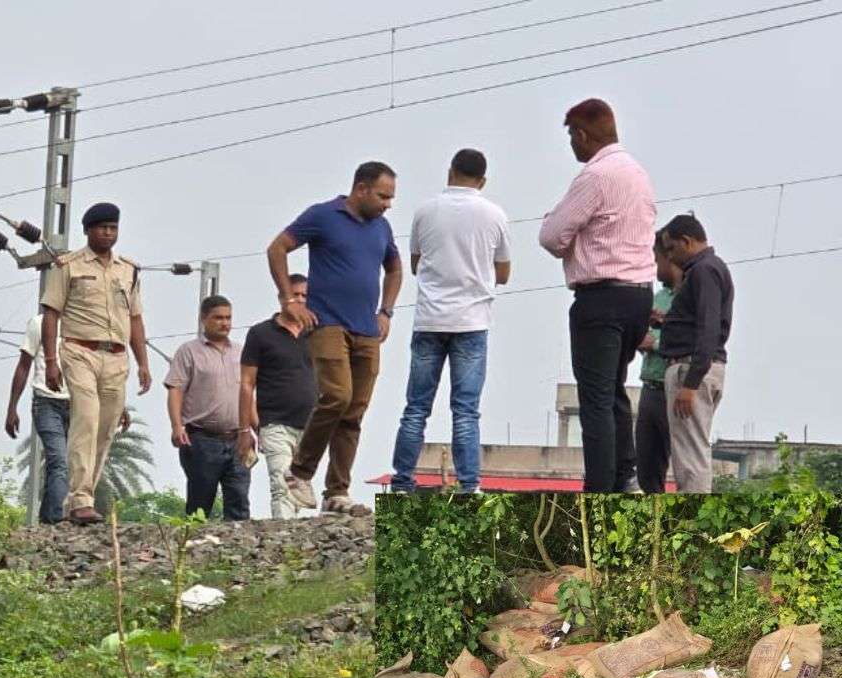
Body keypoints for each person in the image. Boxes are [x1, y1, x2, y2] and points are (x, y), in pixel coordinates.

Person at [266, 161, 403, 516]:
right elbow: (277, 248)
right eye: (383, 196)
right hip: (327, 324)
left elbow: (395, 268)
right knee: (337, 396)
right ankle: (299, 472)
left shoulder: (382, 228)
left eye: (391, 198)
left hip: (367, 331)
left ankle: (337, 491)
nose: (388, 204)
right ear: (361, 189)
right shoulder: (323, 216)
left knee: (355, 410)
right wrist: (289, 300)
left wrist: (386, 311)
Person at [538, 98, 656, 492]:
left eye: (572, 136)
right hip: (639, 296)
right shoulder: (638, 174)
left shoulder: (595, 176)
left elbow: (553, 237)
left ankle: (600, 490)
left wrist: (557, 225)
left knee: (596, 399)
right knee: (615, 390)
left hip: (601, 299)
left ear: (582, 134)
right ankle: (625, 476)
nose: (572, 144)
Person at [390, 148, 510, 494]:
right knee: (465, 410)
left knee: (416, 407)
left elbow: (415, 263)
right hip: (472, 323)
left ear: (450, 172)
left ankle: (402, 483)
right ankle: (469, 485)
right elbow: (503, 273)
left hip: (429, 319)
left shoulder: (425, 211)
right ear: (483, 181)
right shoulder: (494, 215)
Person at [40, 202, 151, 524]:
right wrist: (51, 360)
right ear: (88, 230)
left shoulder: (128, 270)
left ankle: (78, 497)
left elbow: (136, 319)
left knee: (104, 431)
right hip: (79, 351)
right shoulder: (68, 265)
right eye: (102, 227)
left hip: (117, 357)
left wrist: (143, 363)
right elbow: (51, 313)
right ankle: (81, 500)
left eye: (113, 228)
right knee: (85, 420)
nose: (108, 233)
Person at [4, 311, 131, 523]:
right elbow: (24, 365)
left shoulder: (87, 324)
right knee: (59, 460)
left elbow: (102, 372)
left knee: (77, 461)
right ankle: (56, 519)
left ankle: (53, 517)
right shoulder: (39, 324)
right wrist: (12, 408)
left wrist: (118, 407)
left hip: (80, 403)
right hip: (47, 401)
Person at [657, 214, 733, 492]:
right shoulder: (707, 269)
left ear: (686, 242)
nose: (669, 257)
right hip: (697, 368)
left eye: (671, 249)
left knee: (690, 458)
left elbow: (708, 327)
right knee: (691, 453)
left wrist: (690, 383)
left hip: (692, 370)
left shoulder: (704, 270)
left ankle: (694, 523)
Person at [237, 274, 316, 519]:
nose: (300, 300)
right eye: (295, 295)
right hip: (274, 424)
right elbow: (247, 383)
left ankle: (302, 548)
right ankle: (286, 544)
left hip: (313, 427)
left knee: (302, 490)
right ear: (283, 297)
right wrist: (245, 430)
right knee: (282, 487)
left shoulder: (318, 333)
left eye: (305, 295)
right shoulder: (261, 334)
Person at [165, 295, 250, 520]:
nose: (225, 323)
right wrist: (176, 426)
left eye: (228, 318)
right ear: (204, 319)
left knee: (239, 501)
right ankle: (193, 547)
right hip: (201, 440)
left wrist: (254, 429)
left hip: (237, 439)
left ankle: (238, 549)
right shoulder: (189, 351)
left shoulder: (241, 353)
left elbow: (248, 393)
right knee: (200, 505)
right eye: (218, 318)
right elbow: (175, 389)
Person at [633, 231, 682, 494]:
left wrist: (657, 343)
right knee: (647, 466)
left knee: (683, 461)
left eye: (657, 259)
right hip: (649, 388)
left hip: (675, 389)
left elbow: (693, 338)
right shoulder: (658, 297)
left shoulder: (689, 298)